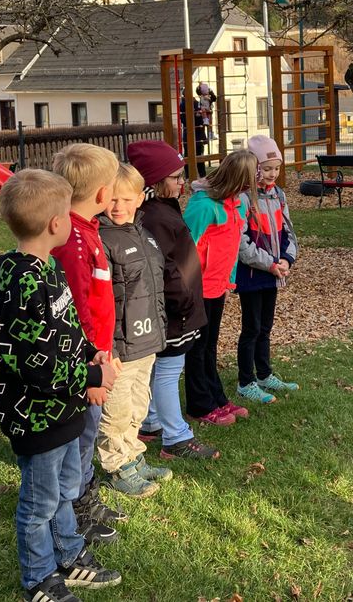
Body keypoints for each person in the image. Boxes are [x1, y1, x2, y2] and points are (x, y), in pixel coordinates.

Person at [0, 169, 121, 602]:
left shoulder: (49, 269)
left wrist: (89, 355)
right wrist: (93, 378)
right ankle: (39, 578)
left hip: (65, 409)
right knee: (39, 503)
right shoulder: (20, 284)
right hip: (37, 415)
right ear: (55, 224)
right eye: (66, 211)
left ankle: (69, 554)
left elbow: (66, 331)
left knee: (65, 490)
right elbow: (36, 367)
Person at [127, 141, 220, 456]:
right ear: (154, 180)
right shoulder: (153, 216)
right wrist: (185, 301)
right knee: (169, 370)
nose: (183, 182)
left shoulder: (162, 208)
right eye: (176, 177)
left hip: (176, 305)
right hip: (173, 309)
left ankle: (151, 421)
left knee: (159, 368)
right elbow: (165, 268)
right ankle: (176, 437)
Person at [50, 143, 123, 545]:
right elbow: (75, 313)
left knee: (87, 435)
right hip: (83, 364)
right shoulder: (74, 243)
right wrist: (92, 374)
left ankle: (83, 496)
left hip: (97, 356)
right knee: (81, 437)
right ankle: (74, 510)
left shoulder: (86, 232)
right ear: (101, 195)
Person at [96, 164, 173, 496]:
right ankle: (116, 466)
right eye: (112, 199)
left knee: (138, 405)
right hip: (120, 346)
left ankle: (133, 455)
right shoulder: (102, 239)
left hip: (146, 341)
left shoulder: (144, 234)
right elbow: (103, 301)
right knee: (116, 409)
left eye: (126, 199)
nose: (118, 207)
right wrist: (107, 347)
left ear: (140, 199)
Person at [183, 150, 258, 422]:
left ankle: (216, 397)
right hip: (197, 288)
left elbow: (233, 245)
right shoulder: (203, 206)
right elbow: (185, 247)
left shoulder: (238, 204)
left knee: (210, 344)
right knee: (197, 348)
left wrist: (230, 279)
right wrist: (185, 288)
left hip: (218, 286)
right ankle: (199, 405)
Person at [235, 136, 299, 404]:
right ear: (254, 167)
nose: (273, 173)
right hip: (253, 275)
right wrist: (270, 264)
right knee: (252, 327)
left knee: (266, 327)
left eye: (276, 168)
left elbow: (288, 231)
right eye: (267, 167)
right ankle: (245, 381)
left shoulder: (277, 194)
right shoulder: (242, 198)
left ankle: (264, 373)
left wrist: (287, 259)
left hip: (273, 272)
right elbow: (242, 244)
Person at [179, 88, 207, 178]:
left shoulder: (196, 103)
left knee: (199, 156)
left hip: (197, 134)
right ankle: (189, 176)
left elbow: (202, 117)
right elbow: (185, 120)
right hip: (190, 134)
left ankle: (202, 176)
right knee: (188, 155)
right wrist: (198, 117)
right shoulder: (183, 105)